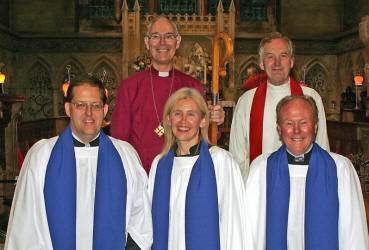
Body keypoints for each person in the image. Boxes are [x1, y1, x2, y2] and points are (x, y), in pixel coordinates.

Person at [5, 75, 152, 250]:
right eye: (80, 105)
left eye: (95, 106)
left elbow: (140, 217)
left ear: (105, 110)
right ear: (68, 108)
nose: (88, 113)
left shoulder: (125, 155)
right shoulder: (42, 156)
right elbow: (26, 223)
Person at [244, 95, 368, 250]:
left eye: (303, 122)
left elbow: (353, 234)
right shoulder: (262, 168)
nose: (296, 130)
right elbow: (250, 233)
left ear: (315, 126)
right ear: (279, 128)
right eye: (289, 123)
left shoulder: (339, 169)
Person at [111, 17, 225, 174]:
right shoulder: (129, 87)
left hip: (183, 173)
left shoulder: (193, 86)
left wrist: (214, 120)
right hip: (140, 175)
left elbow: (205, 137)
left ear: (177, 42)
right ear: (147, 42)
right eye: (156, 36)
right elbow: (119, 142)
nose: (162, 42)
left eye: (169, 36)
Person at [148, 88, 246, 250]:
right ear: (168, 119)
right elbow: (150, 225)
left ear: (202, 121)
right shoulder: (160, 164)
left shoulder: (220, 161)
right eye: (178, 113)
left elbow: (233, 222)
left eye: (191, 114)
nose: (183, 121)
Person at [229, 32, 329, 181]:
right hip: (260, 186)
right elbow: (237, 155)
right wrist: (246, 191)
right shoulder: (247, 101)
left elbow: (322, 148)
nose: (277, 63)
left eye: (283, 56)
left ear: (292, 62)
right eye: (270, 57)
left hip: (302, 183)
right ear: (262, 63)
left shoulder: (311, 98)